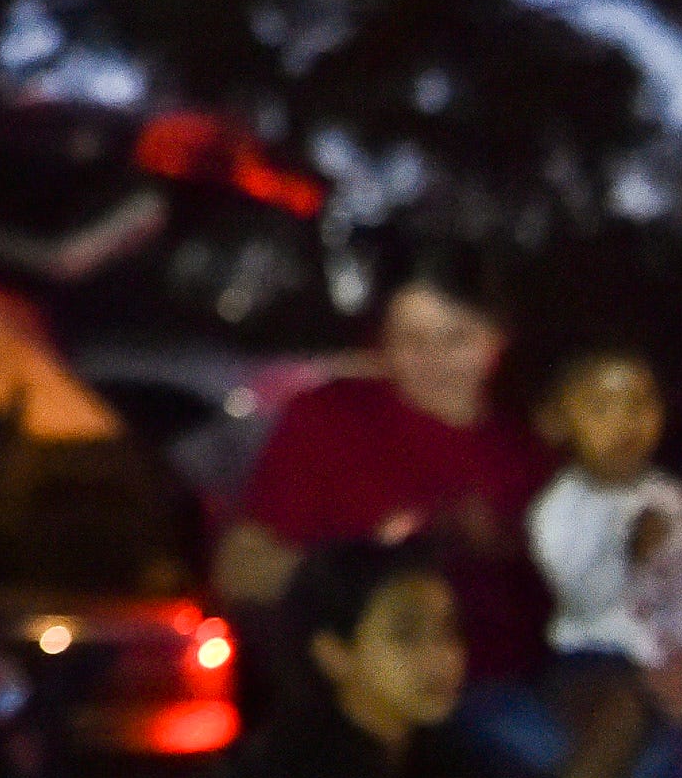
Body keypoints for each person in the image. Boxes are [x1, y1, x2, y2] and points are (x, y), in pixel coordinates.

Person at [219, 239, 556, 692]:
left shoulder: (534, 449)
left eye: (456, 338)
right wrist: (370, 567)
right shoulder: (328, 420)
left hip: (511, 685)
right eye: (409, 339)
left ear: (497, 336)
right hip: (365, 692)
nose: (434, 361)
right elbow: (239, 570)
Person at [222, 537, 613, 778]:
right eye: (406, 635)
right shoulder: (313, 774)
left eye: (449, 630)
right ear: (334, 654)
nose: (442, 655)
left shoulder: (436, 755)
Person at [525, 343, 682, 778]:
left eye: (640, 403)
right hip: (591, 658)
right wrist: (625, 551)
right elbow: (582, 594)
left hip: (666, 657)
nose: (625, 421)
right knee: (623, 711)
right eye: (601, 407)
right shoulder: (561, 505)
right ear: (556, 421)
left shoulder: (668, 495)